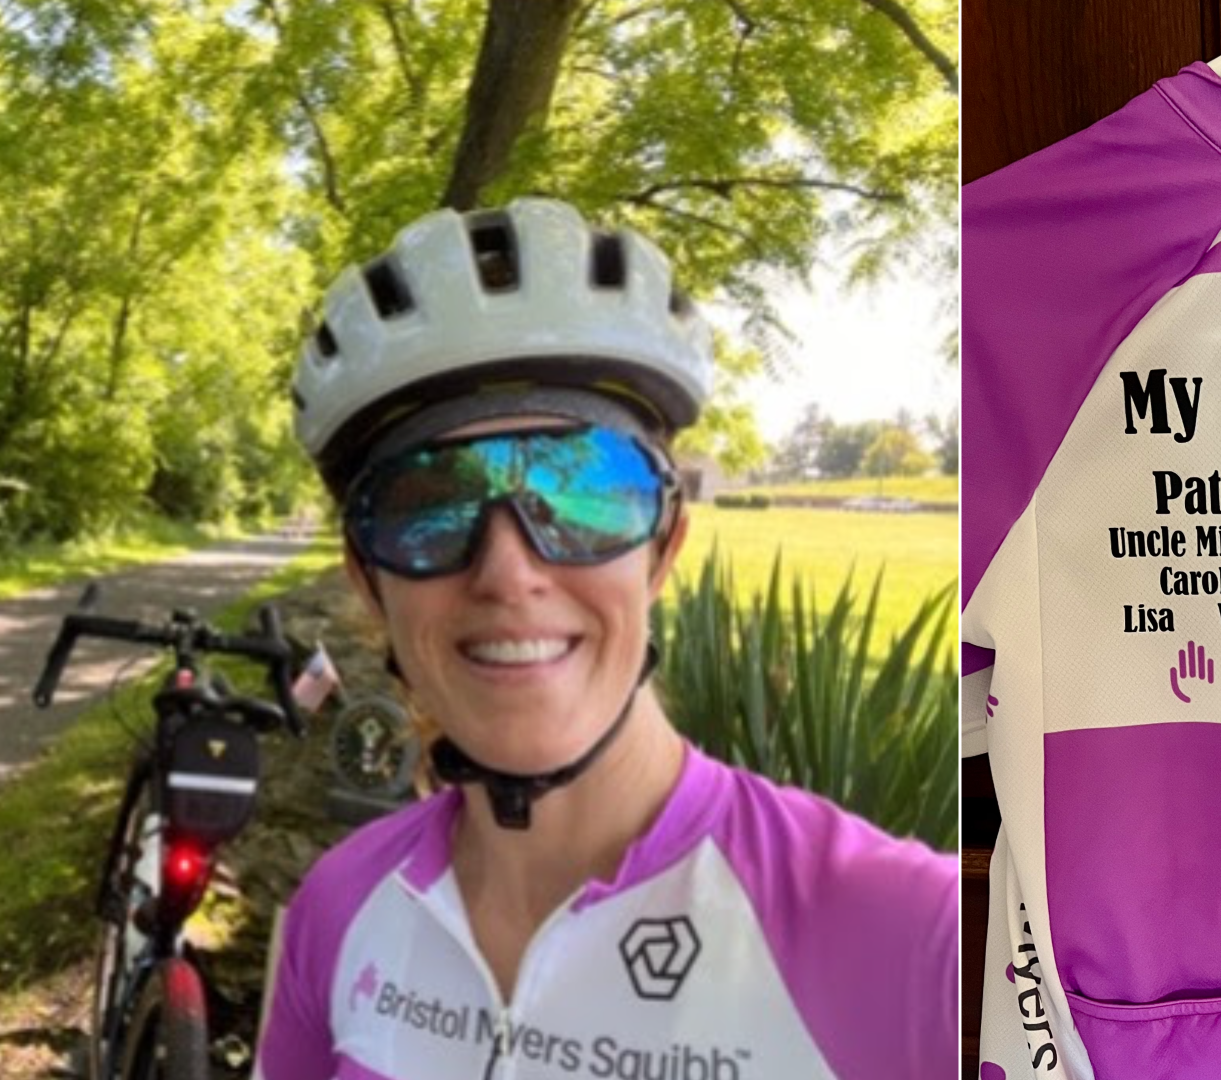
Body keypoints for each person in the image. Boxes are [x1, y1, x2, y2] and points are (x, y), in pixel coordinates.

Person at [253, 198, 957, 1079]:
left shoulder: (913, 937)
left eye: (583, 493)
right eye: (428, 509)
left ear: (663, 549)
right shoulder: (341, 907)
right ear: (367, 580)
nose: (508, 573)